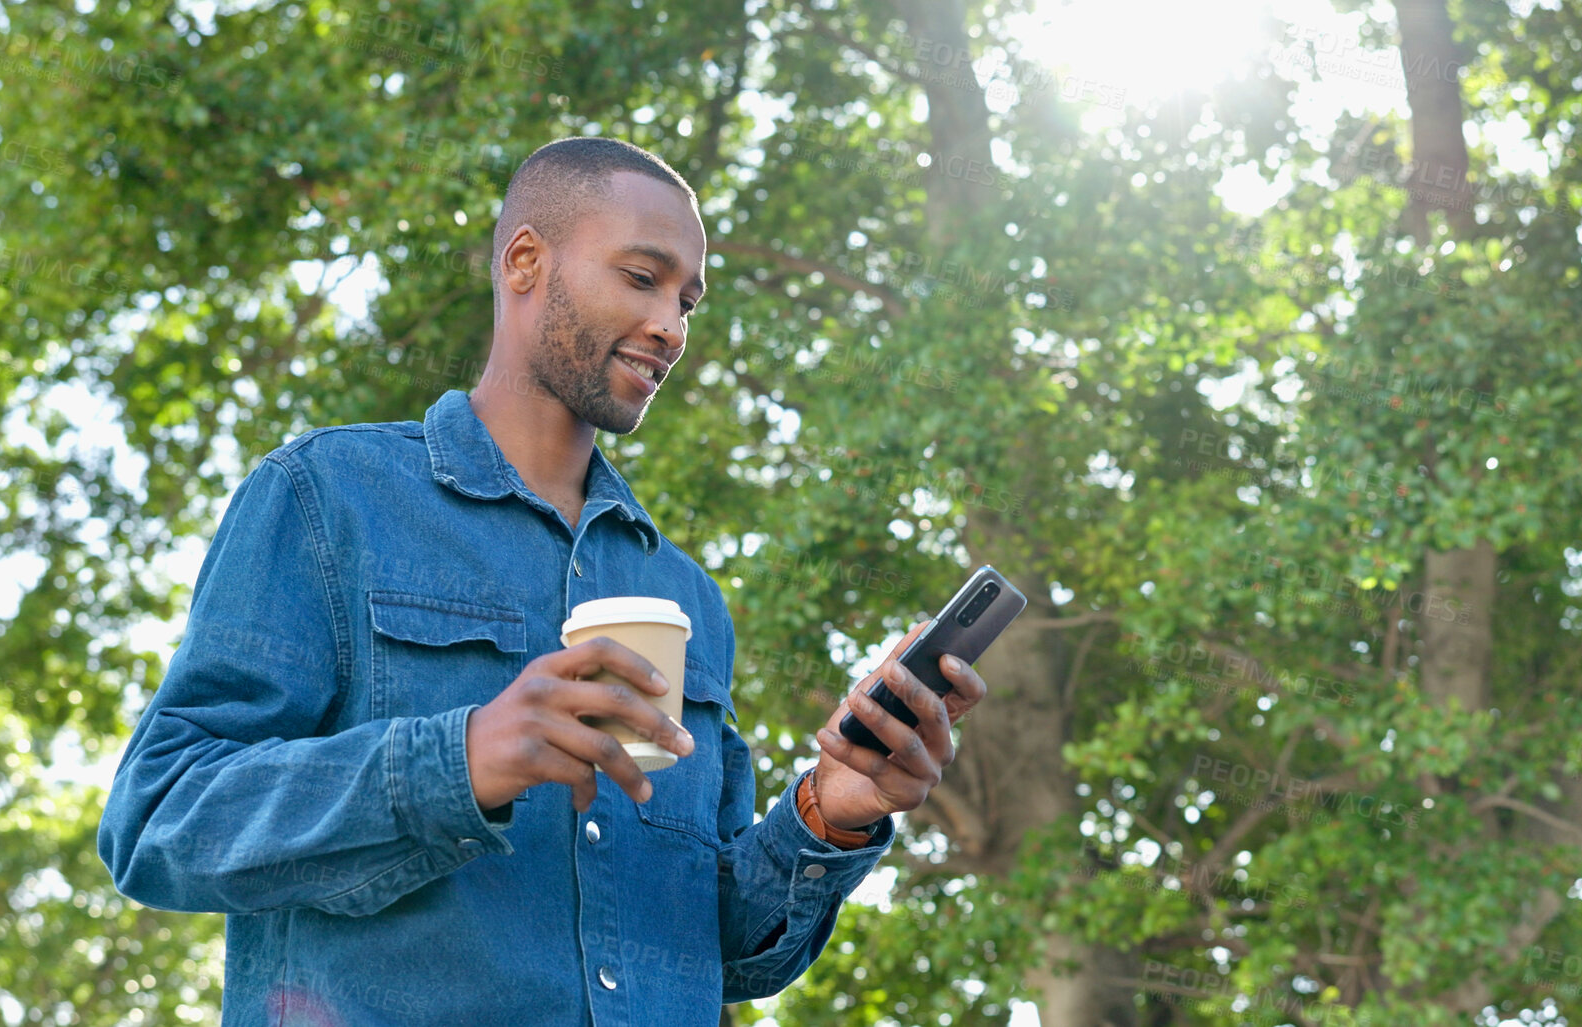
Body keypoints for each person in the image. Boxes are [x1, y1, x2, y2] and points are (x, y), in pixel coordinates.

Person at [97, 137, 990, 1025]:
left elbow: (708, 944)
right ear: (526, 261)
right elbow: (160, 819)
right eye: (643, 279)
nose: (672, 326)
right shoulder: (327, 498)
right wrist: (463, 756)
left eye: (687, 299)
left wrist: (832, 812)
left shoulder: (688, 602)